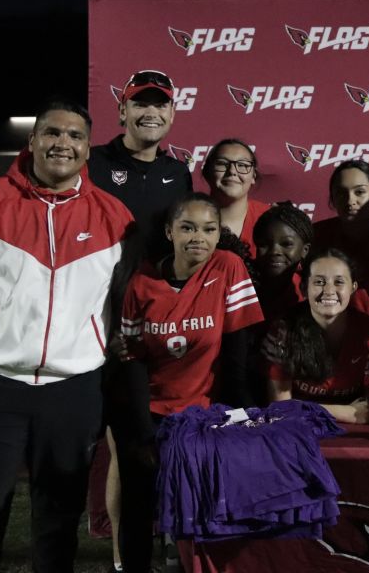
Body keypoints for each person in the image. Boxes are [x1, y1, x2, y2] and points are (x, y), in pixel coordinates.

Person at [0, 69, 189, 571]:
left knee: (57, 522)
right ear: (34, 139)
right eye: (53, 133)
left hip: (75, 388)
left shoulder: (114, 217)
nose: (63, 143)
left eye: (75, 136)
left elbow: (126, 298)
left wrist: (126, 342)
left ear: (88, 151)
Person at [111, 192, 265, 572]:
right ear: (169, 232)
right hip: (151, 413)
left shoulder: (228, 267)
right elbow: (132, 362)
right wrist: (145, 433)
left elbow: (236, 354)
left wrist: (239, 417)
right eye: (188, 228)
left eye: (209, 229)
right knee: (138, 508)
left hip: (203, 416)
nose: (199, 237)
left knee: (201, 512)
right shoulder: (141, 283)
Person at [0, 69, 191, 262]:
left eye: (160, 106)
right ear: (122, 110)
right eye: (140, 104)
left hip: (154, 300)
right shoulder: (87, 161)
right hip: (96, 296)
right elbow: (28, 190)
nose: (151, 113)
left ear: (172, 114)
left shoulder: (179, 174)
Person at [261, 249, 369, 424]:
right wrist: (347, 412)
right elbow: (280, 409)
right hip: (299, 430)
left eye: (339, 282)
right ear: (304, 288)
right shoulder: (283, 331)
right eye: (319, 282)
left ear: (353, 288)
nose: (329, 290)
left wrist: (301, 407)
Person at [312, 159, 369, 285]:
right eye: (341, 193)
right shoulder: (317, 235)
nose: (350, 200)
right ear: (332, 198)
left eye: (359, 192)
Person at [201, 138, 271, 258]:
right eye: (222, 163)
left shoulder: (271, 218)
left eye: (242, 165)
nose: (232, 171)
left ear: (253, 176)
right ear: (207, 172)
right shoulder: (189, 217)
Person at [251, 202, 315, 322]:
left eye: (286, 244)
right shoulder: (240, 286)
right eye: (264, 244)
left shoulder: (309, 293)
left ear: (305, 250)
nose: (274, 251)